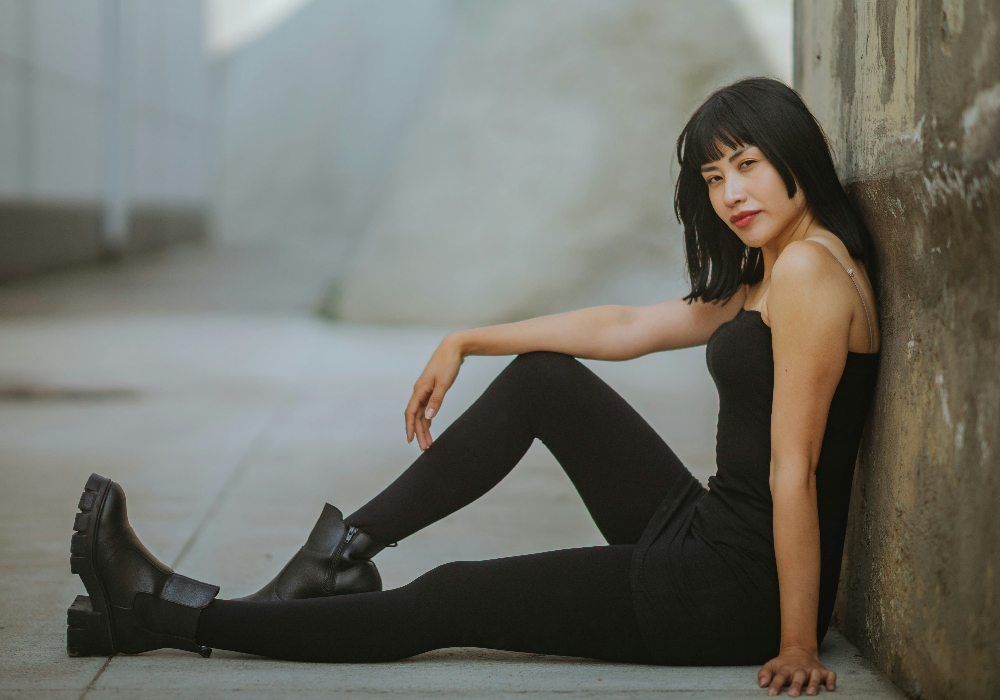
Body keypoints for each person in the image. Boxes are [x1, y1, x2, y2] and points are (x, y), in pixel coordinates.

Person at [65, 77, 880, 698]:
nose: (731, 194)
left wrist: (797, 640)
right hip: (706, 532)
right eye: (713, 176)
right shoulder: (778, 265)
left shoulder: (810, 271)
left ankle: (165, 613)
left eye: (748, 165)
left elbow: (793, 470)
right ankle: (341, 554)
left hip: (725, 590)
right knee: (544, 380)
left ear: (793, 157)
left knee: (451, 596)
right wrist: (468, 340)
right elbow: (627, 327)